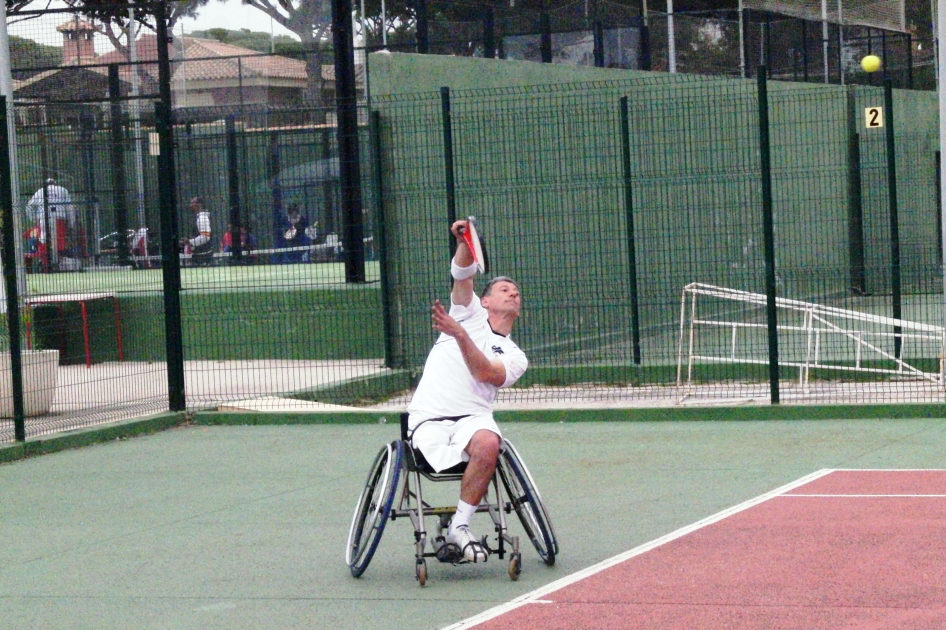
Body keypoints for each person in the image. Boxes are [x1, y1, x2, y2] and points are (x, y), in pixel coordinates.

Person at [405, 219, 527, 563]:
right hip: (429, 419)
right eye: (504, 289)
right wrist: (464, 242)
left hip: (473, 420)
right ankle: (459, 527)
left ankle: (461, 526)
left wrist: (459, 335)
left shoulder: (516, 357)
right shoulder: (467, 312)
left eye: (516, 292)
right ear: (485, 301)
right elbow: (462, 276)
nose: (513, 293)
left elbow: (485, 372)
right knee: (481, 439)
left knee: (490, 442)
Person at [25, 178, 77, 271]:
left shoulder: (40, 191)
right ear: (55, 183)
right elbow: (70, 208)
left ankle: (46, 267)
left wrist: (35, 219)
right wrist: (70, 223)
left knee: (43, 241)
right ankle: (58, 266)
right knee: (59, 243)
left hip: (43, 218)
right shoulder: (62, 190)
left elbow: (29, 207)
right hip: (60, 218)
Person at [181, 196, 213, 267]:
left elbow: (205, 237)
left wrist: (190, 242)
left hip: (203, 256)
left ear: (199, 204)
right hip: (201, 255)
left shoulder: (202, 218)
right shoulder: (200, 217)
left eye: (193, 203)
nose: (191, 205)